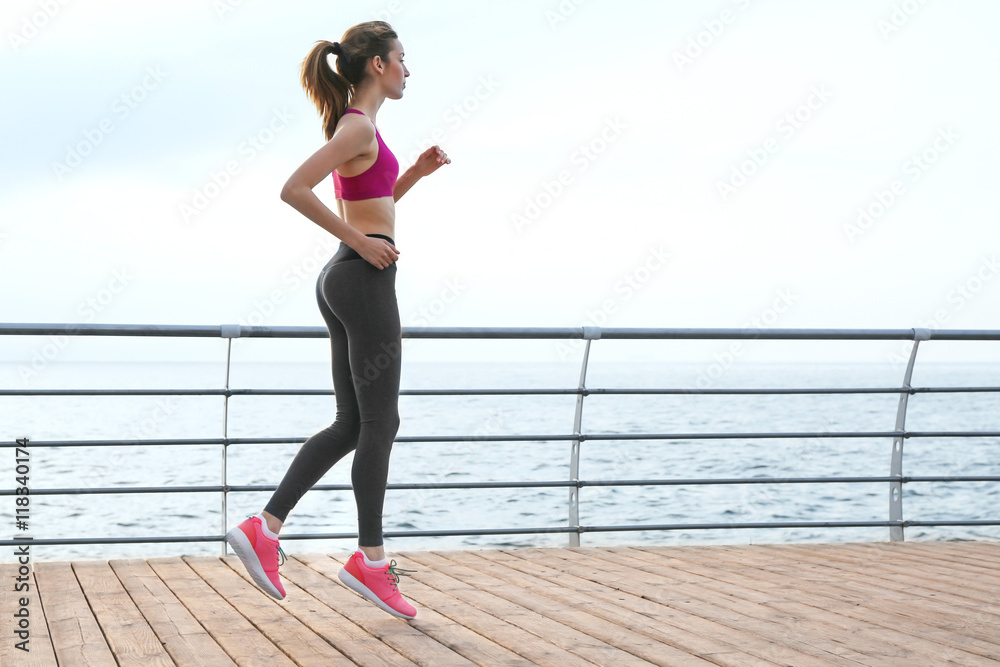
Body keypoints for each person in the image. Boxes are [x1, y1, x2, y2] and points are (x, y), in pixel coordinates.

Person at [225, 20, 449, 620]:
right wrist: (362, 241)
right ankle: (370, 562)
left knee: (353, 423)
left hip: (347, 273)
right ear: (377, 64)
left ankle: (265, 526)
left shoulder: (362, 131)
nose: (407, 68)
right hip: (361, 275)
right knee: (382, 422)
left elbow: (371, 205)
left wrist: (414, 177)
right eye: (402, 58)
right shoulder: (356, 126)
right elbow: (293, 189)